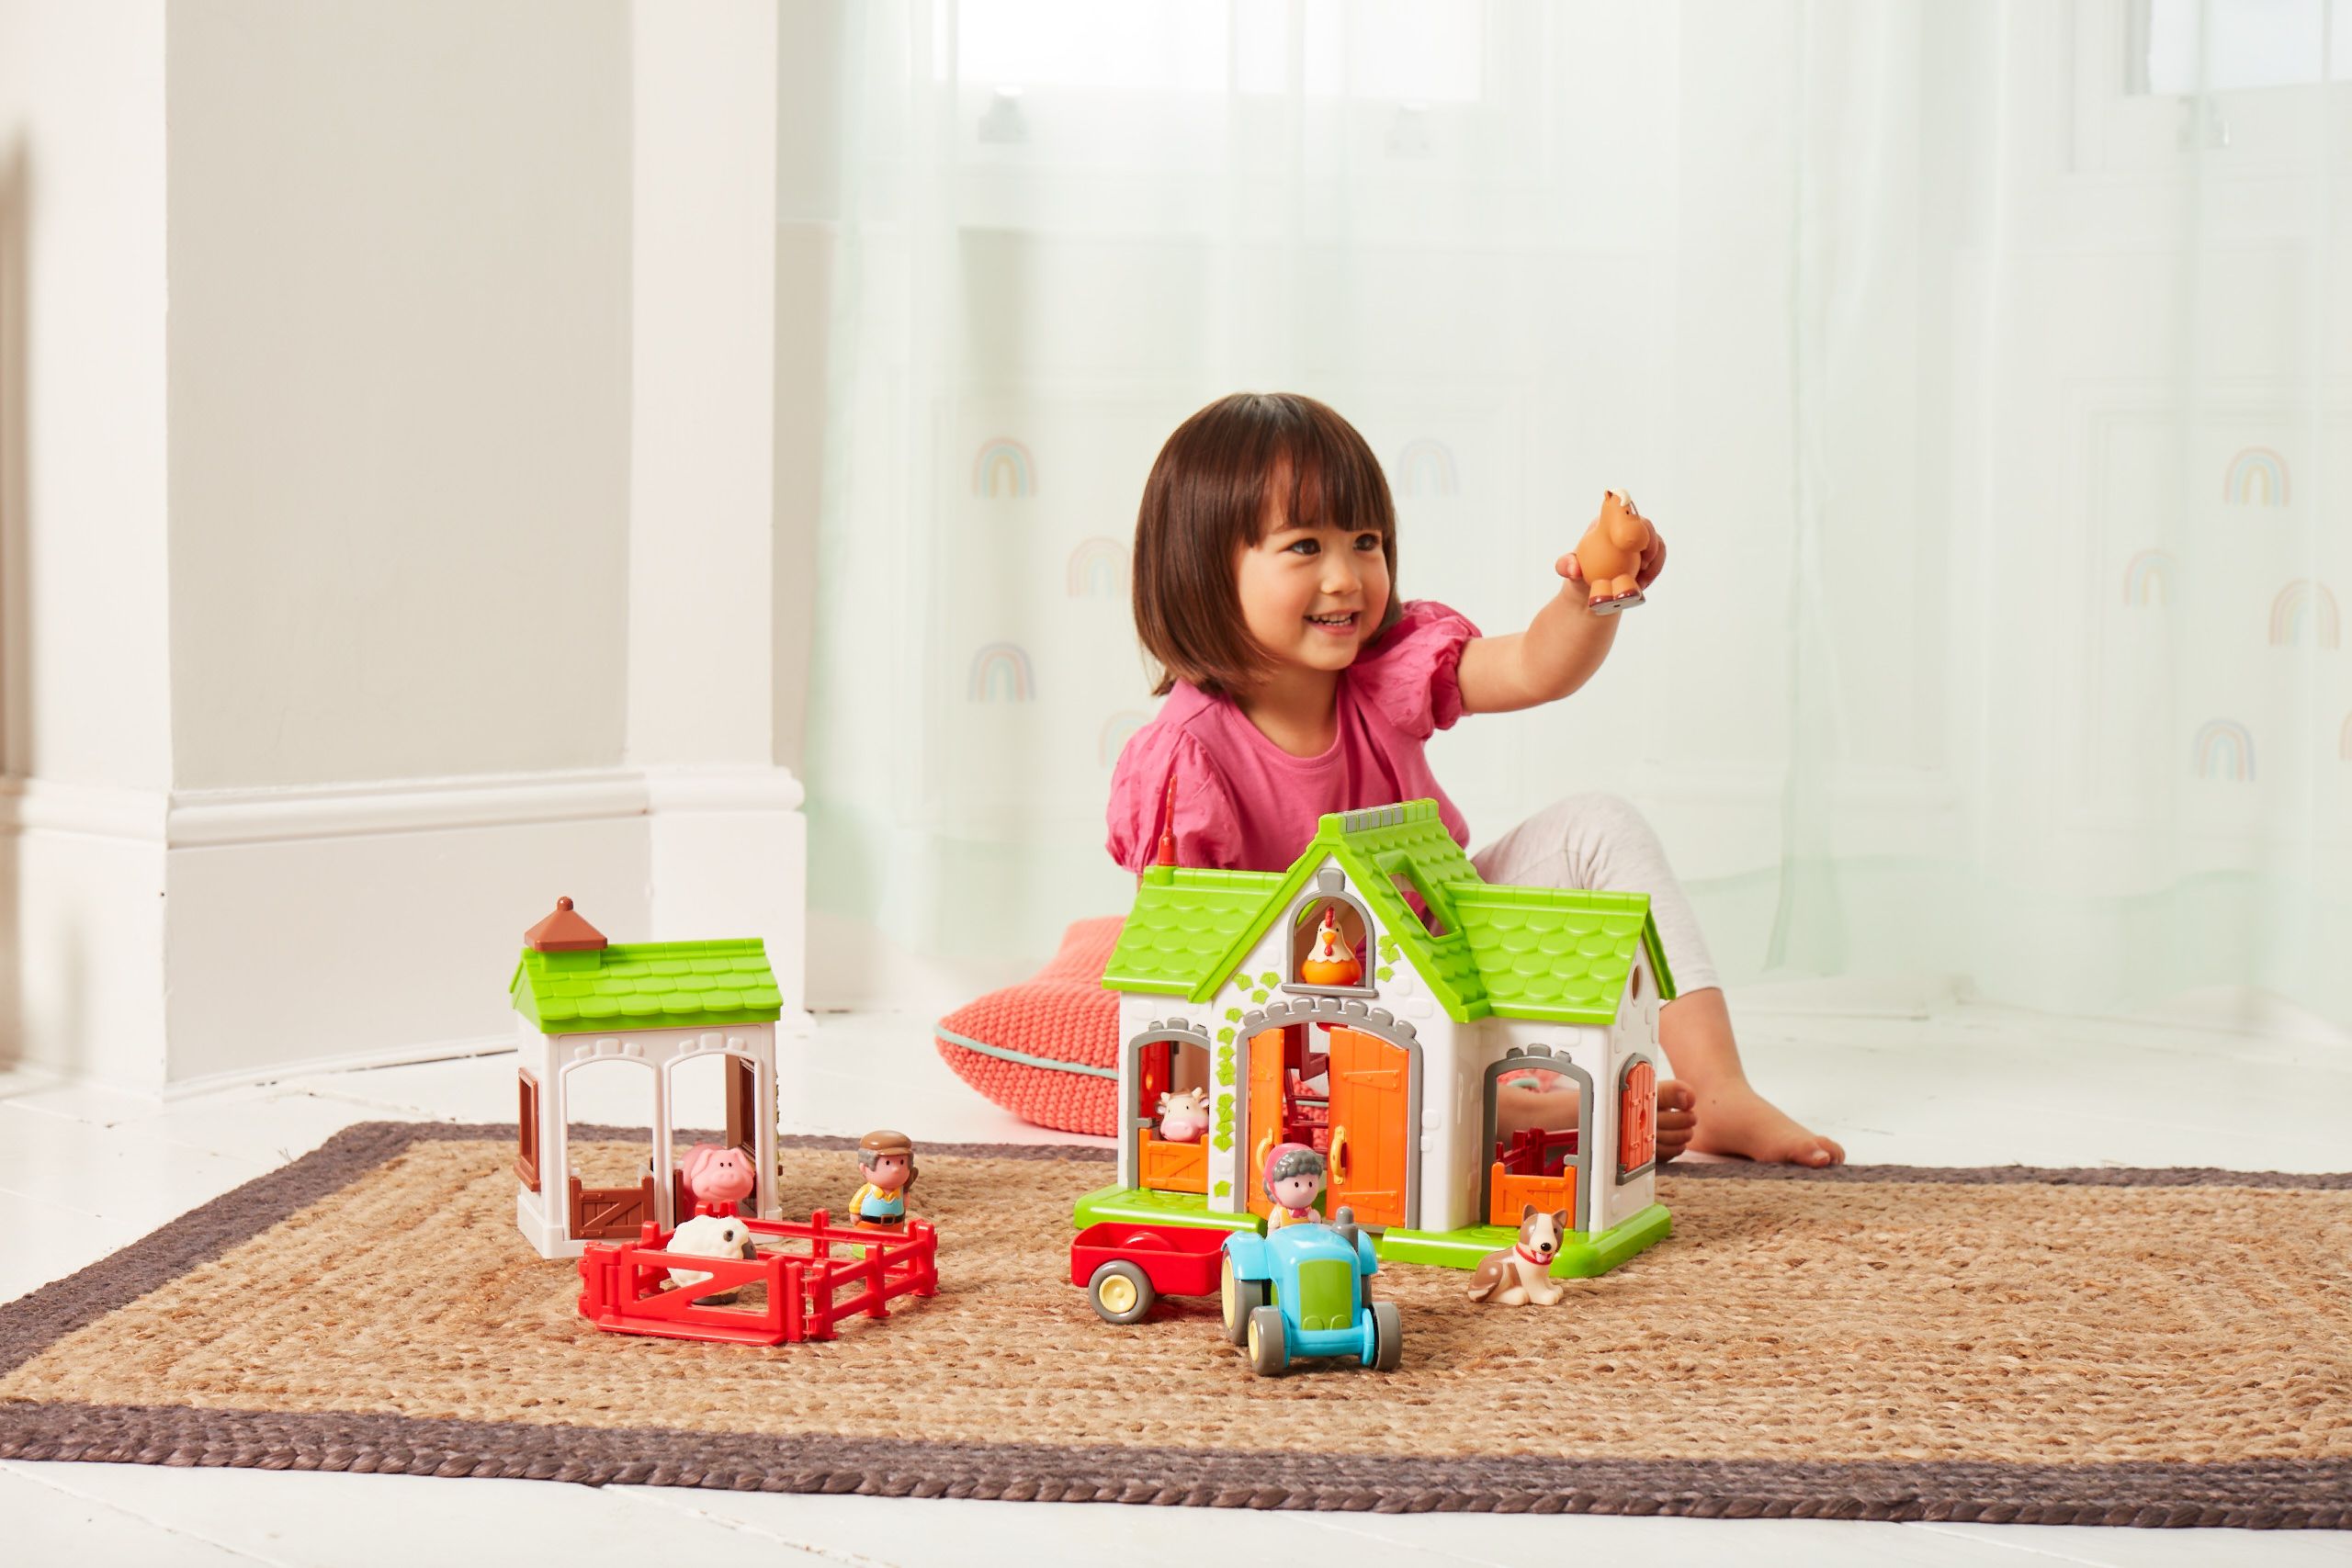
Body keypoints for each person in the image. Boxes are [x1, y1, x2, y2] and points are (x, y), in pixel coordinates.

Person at [1105, 391, 1841, 1168]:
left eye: (1365, 541)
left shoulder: (1383, 669)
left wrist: (1589, 594)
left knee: (1601, 825)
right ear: (1205, 570)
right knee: (1337, 1041)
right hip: (1318, 994)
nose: (1347, 576)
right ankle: (1538, 1107)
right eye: (1303, 547)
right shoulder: (1189, 759)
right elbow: (1191, 970)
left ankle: (1718, 1085)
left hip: (1447, 930)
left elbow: (1533, 666)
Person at [850, 1129, 918, 1226]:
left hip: (896, 1226)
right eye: (888, 1163)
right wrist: (855, 1213)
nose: (896, 1169)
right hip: (870, 1227)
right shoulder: (867, 1191)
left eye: (902, 1162)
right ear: (864, 1168)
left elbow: (905, 1204)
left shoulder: (900, 1191)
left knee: (895, 1239)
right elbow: (855, 1204)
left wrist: (906, 1193)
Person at [1261, 1143, 1328, 1229]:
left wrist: (1317, 1220)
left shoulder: (1310, 1212)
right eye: (1296, 1184)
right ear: (1271, 1186)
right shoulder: (1279, 1214)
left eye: (1310, 1184)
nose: (1305, 1189)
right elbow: (1272, 1234)